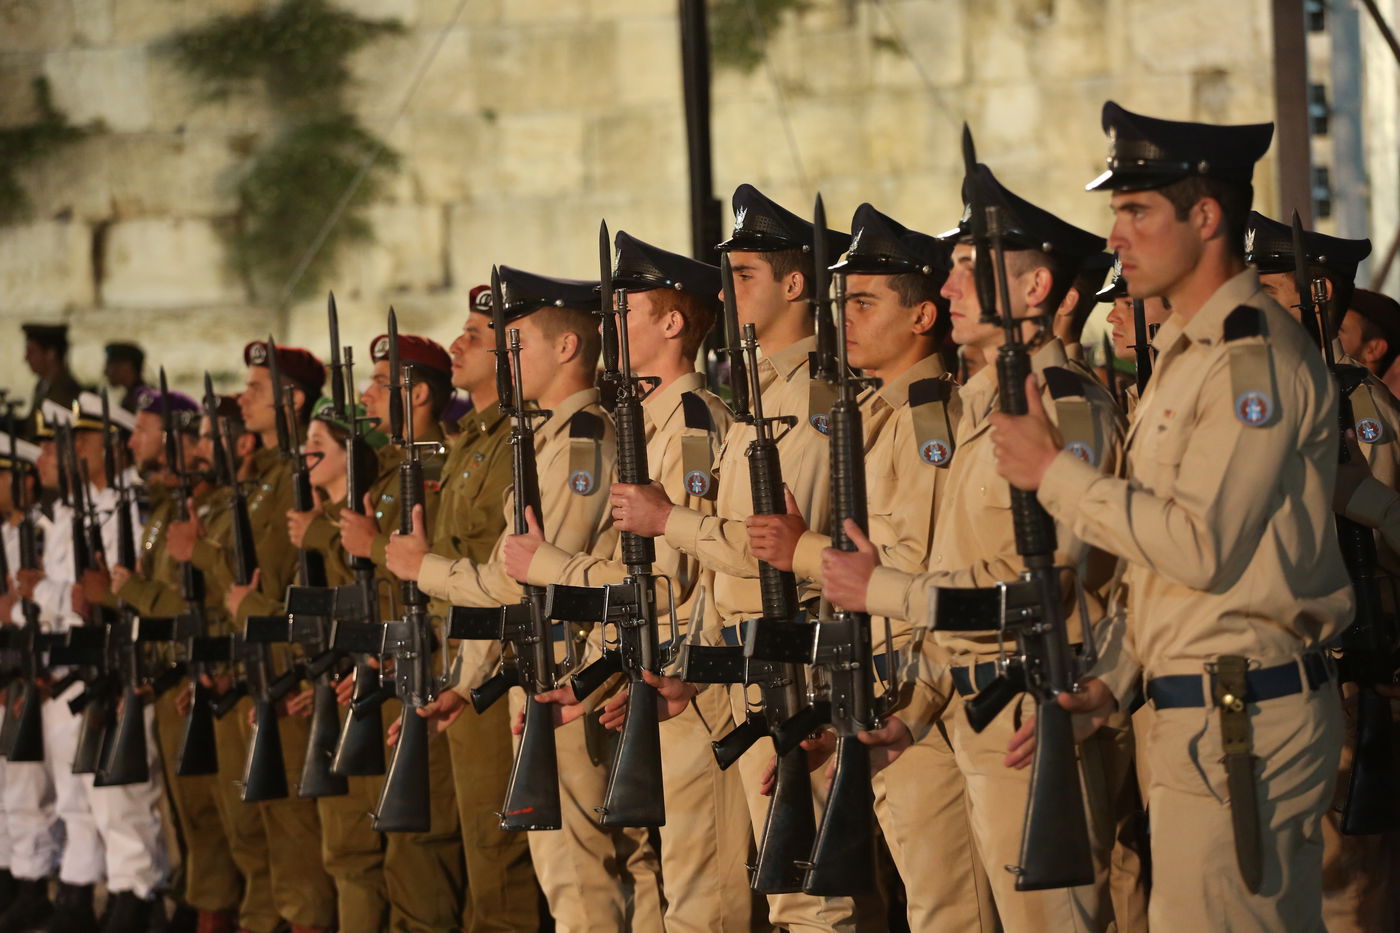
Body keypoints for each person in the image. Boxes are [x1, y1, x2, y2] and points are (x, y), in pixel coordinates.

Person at [991, 100, 1351, 931]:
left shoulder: (1250, 357)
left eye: (1136, 211)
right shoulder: (1190, 354)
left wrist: (1053, 472)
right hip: (1202, 711)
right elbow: (1160, 565)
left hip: (1243, 719)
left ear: (1207, 215)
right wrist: (1116, 679)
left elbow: (1199, 547)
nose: (1115, 236)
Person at [823, 160, 1129, 933]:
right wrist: (919, 705)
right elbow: (954, 575)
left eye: (969, 268)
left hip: (1033, 712)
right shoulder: (977, 409)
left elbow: (1040, 586)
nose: (950, 286)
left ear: (1036, 288)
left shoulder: (1064, 409)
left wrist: (881, 589)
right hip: (968, 705)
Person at [611, 185, 892, 932]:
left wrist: (669, 520)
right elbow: (729, 564)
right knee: (761, 894)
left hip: (795, 666)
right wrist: (695, 659)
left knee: (810, 899)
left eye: (743, 275)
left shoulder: (823, 399)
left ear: (795, 285)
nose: (725, 291)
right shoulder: (759, 398)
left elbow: (784, 550)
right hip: (740, 664)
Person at [384, 267, 664, 933]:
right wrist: (468, 681)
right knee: (584, 869)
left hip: (572, 675)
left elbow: (528, 581)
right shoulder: (546, 437)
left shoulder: (580, 441)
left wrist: (426, 569)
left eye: (519, 342)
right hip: (546, 673)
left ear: (567, 347)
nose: (505, 357)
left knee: (584, 877)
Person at [742, 202, 995, 932]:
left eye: (863, 302)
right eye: (842, 302)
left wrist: (800, 548)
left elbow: (909, 571)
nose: (844, 319)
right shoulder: (875, 414)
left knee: (950, 912)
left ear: (922, 317)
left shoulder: (926, 420)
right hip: (876, 694)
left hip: (918, 695)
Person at [503, 231, 758, 933]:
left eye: (627, 311)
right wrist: (597, 673)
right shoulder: (641, 425)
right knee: (662, 888)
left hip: (689, 685)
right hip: (642, 677)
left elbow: (668, 585)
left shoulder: (695, 427)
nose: (608, 325)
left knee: (701, 902)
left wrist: (546, 565)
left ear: (673, 324)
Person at [333, 331, 467, 932]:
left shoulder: (436, 469)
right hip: (389, 668)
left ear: (416, 395)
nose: (366, 395)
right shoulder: (390, 470)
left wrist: (371, 545)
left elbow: (440, 575)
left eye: (380, 383)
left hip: (429, 670)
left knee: (420, 850)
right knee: (388, 846)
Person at [113, 387, 243, 933]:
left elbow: (210, 603)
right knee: (190, 816)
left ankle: (216, 913)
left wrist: (130, 590)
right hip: (174, 677)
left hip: (212, 678)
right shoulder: (169, 509)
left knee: (222, 819)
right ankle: (200, 907)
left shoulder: (220, 511)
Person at [21, 324, 83, 435]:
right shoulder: (42, 385)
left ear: (51, 354)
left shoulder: (66, 391)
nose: (26, 358)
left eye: (32, 352)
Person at [104, 344, 149, 415]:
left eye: (110, 365)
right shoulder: (132, 397)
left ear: (127, 367)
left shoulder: (143, 399)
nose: (105, 372)